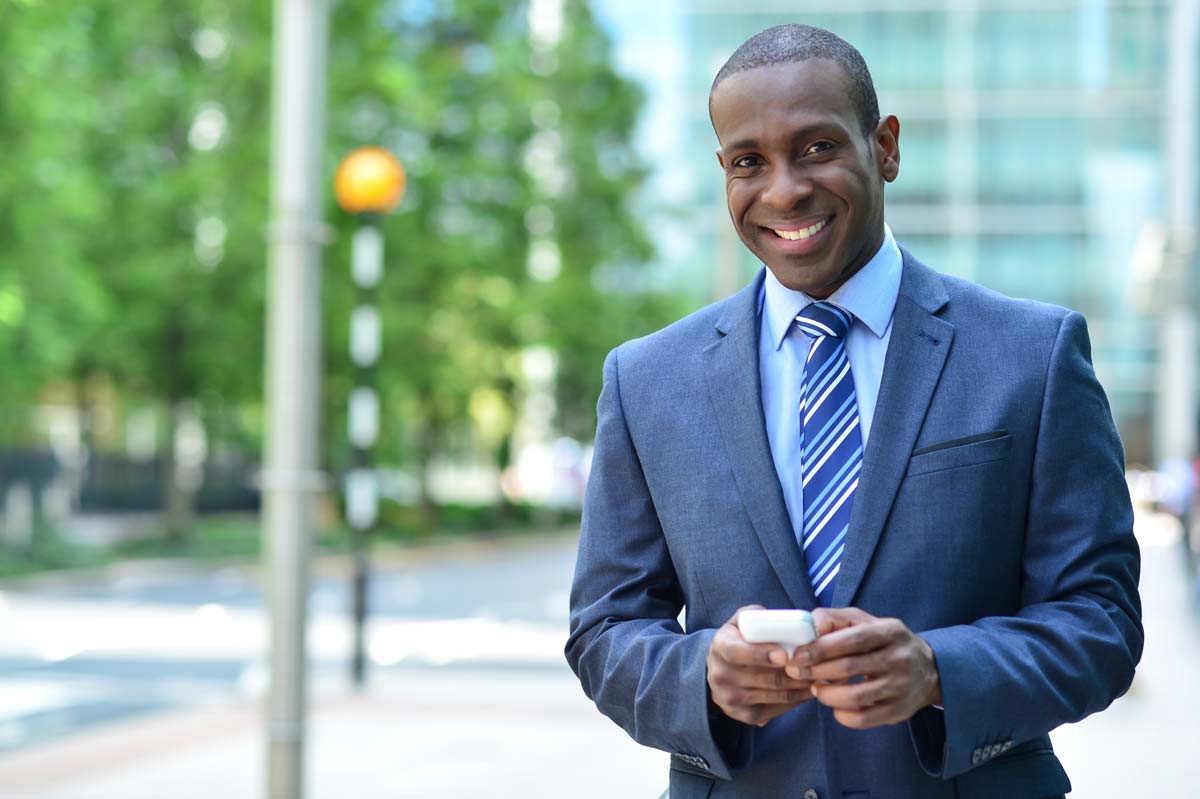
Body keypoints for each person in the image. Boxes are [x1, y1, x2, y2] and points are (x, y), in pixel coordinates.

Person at [565, 23, 1142, 799]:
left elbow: (1101, 621)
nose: (784, 190)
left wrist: (938, 671)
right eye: (748, 162)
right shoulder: (647, 380)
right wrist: (701, 675)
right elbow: (604, 629)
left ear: (887, 148)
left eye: (815, 148)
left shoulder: (1032, 356)